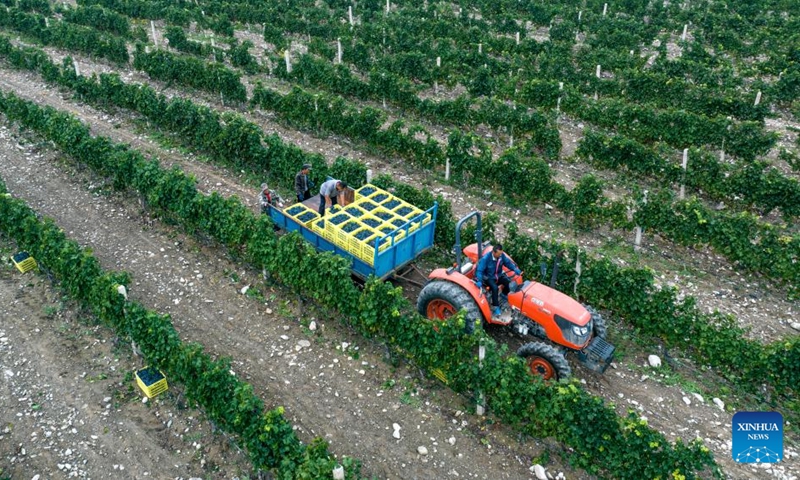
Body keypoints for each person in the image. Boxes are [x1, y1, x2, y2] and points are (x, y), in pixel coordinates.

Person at [475, 243, 521, 317]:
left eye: (501, 253)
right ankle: (495, 306)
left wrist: (514, 269)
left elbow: (507, 263)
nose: (500, 255)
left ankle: (504, 294)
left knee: (508, 282)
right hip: (489, 277)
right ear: (494, 252)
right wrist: (479, 280)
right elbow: (480, 271)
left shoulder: (501, 256)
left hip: (498, 275)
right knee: (495, 288)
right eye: (499, 254)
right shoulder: (486, 259)